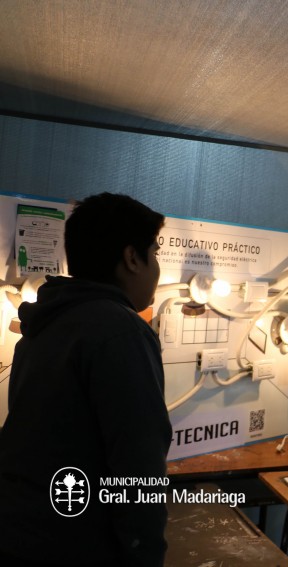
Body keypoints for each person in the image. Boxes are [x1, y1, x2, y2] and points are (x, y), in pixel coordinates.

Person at [0, 193, 172, 566]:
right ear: (131, 258)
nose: (157, 267)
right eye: (155, 252)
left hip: (27, 533)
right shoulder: (120, 330)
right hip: (81, 545)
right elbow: (137, 466)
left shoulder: (42, 323)